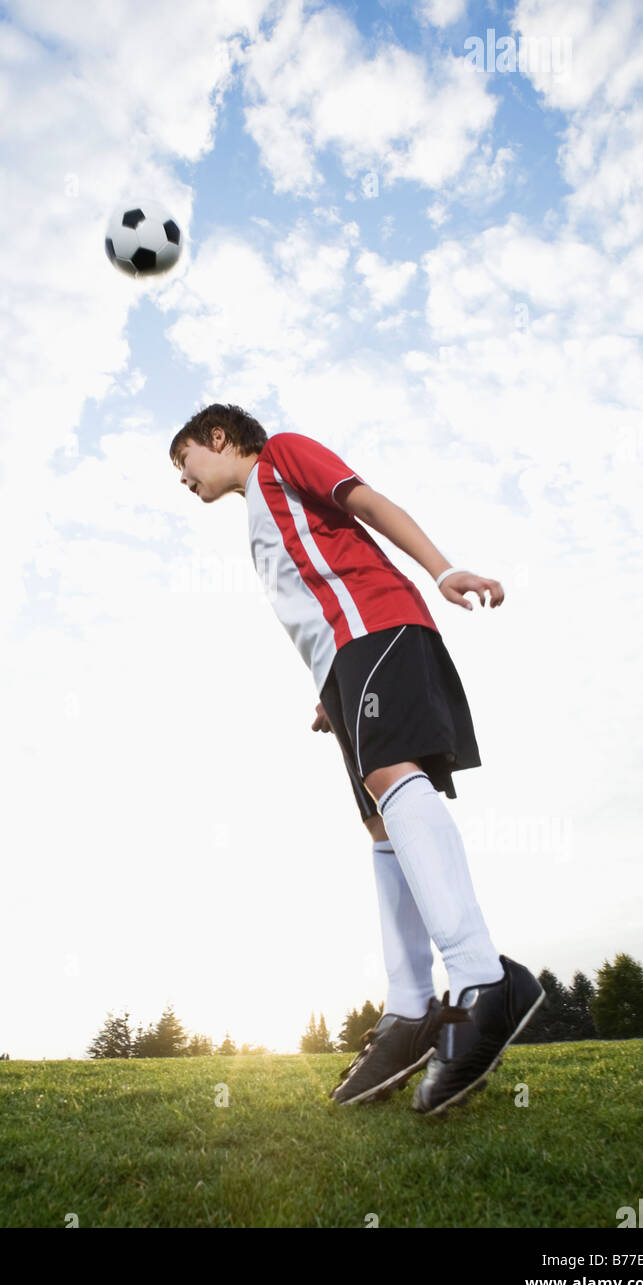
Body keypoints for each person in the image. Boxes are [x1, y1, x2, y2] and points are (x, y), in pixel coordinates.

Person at [169, 403, 544, 1115]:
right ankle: (409, 1012)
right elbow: (311, 599)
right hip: (344, 664)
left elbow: (366, 504)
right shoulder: (257, 515)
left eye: (182, 459)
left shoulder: (282, 453)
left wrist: (442, 568)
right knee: (379, 822)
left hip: (382, 627)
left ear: (217, 437)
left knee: (391, 781)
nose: (182, 478)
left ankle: (481, 977)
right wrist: (328, 694)